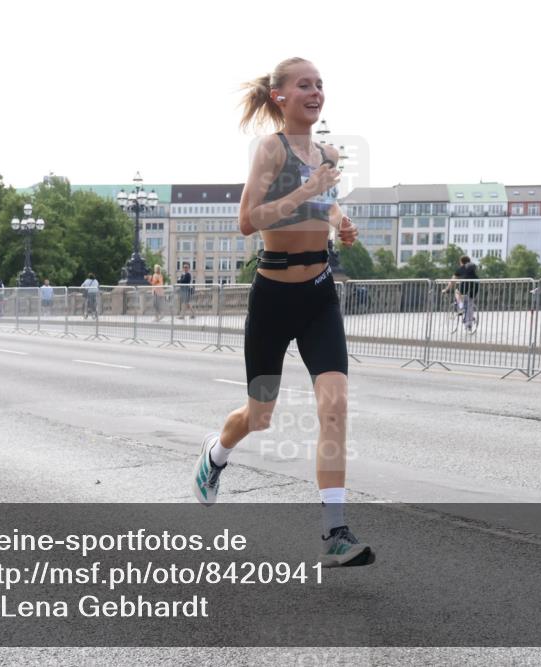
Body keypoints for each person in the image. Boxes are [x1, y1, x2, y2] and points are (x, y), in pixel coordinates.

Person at [191, 57, 372, 568]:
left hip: (318, 294)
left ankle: (334, 531)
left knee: (334, 405)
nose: (315, 91)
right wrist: (307, 190)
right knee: (260, 415)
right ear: (280, 97)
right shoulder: (271, 149)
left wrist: (340, 218)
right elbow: (248, 221)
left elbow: (327, 202)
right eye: (304, 84)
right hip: (272, 298)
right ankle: (215, 454)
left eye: (320, 84)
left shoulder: (327, 152)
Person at [443, 255, 480, 331]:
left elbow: (452, 281)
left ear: (461, 262)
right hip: (476, 284)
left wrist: (446, 290)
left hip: (466, 283)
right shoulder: (473, 267)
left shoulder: (461, 268)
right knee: (470, 302)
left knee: (457, 292)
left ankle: (461, 307)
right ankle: (468, 324)